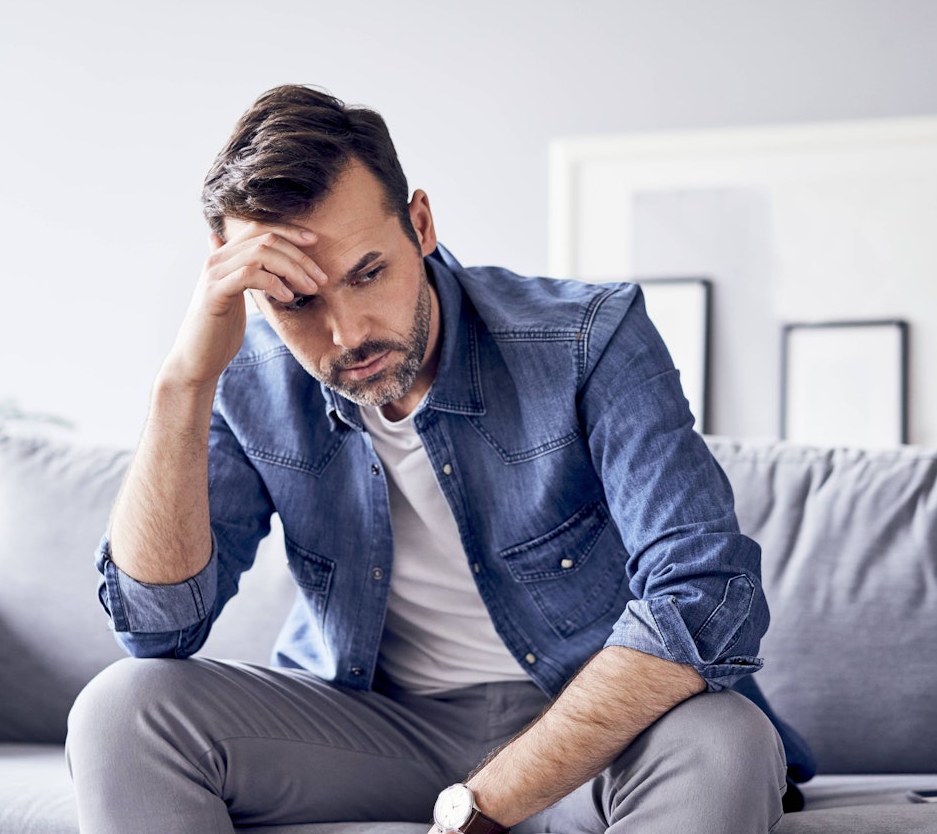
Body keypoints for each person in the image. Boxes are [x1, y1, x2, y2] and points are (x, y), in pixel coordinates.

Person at [66, 84, 813, 834]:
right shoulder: (244, 378)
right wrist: (184, 382)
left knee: (725, 741)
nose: (347, 334)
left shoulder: (587, 337)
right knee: (121, 709)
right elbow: (158, 632)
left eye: (368, 273)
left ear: (420, 224)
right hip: (370, 731)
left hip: (593, 732)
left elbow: (705, 595)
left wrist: (481, 807)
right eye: (296, 301)